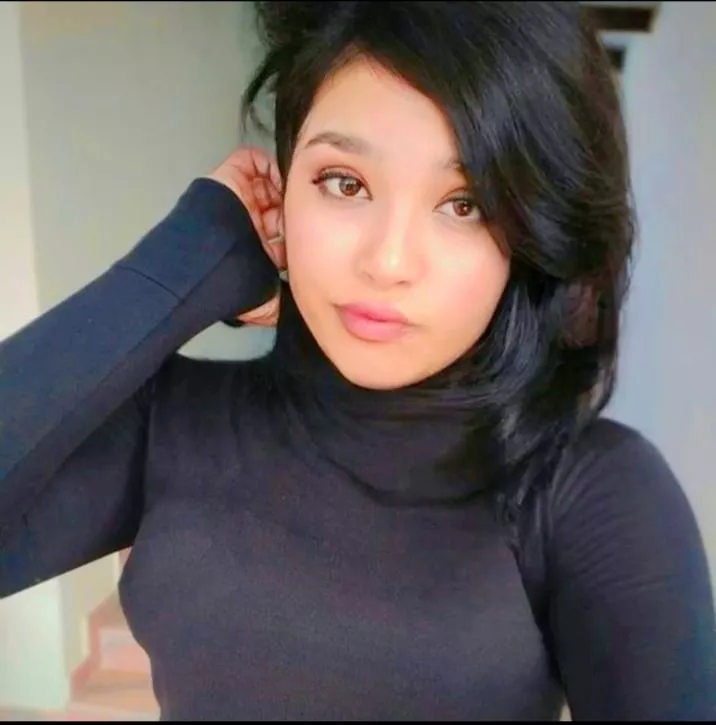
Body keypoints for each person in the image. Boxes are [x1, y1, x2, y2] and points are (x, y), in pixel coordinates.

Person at [1, 1, 714, 720]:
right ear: (285, 186)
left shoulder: (589, 491)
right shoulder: (171, 422)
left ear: (533, 232)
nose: (388, 261)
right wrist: (190, 257)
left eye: (466, 203)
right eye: (345, 183)